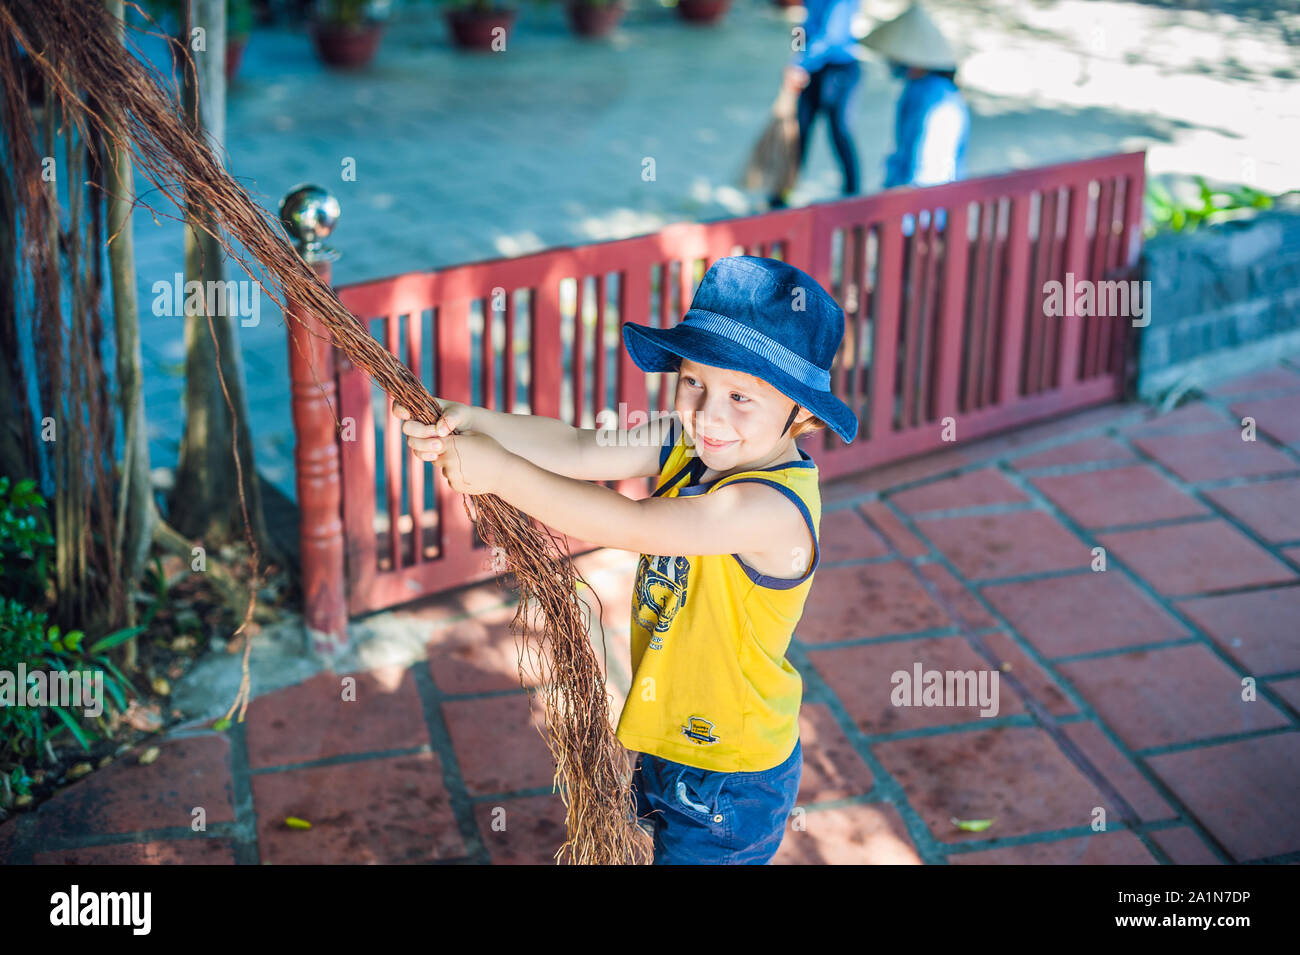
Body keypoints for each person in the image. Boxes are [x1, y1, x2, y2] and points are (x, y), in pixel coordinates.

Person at [394, 255, 859, 864]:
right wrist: (477, 422)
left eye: (741, 396)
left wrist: (501, 473)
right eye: (694, 382)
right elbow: (580, 447)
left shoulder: (768, 507)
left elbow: (631, 523)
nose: (709, 414)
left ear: (802, 413)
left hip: (729, 772)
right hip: (669, 736)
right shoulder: (692, 442)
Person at [861, 1, 969, 234]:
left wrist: (905, 221)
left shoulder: (939, 98)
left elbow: (931, 166)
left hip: (921, 215)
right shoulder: (916, 89)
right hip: (907, 206)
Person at [769, 0, 865, 210]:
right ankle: (783, 190)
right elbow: (802, 25)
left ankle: (853, 192)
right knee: (799, 131)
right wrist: (795, 56)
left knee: (840, 131)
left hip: (839, 70)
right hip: (813, 69)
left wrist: (799, 64)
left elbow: (830, 36)